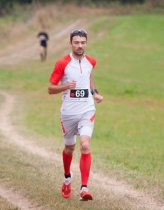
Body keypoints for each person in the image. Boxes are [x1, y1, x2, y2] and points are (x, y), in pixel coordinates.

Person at [48, 29, 103, 201]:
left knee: (85, 145)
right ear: (70, 43)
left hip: (87, 109)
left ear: (86, 43)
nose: (80, 45)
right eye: (76, 42)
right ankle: (66, 178)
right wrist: (65, 87)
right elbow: (50, 89)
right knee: (69, 148)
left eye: (83, 42)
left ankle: (84, 188)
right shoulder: (62, 63)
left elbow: (88, 75)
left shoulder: (91, 61)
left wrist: (94, 92)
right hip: (68, 113)